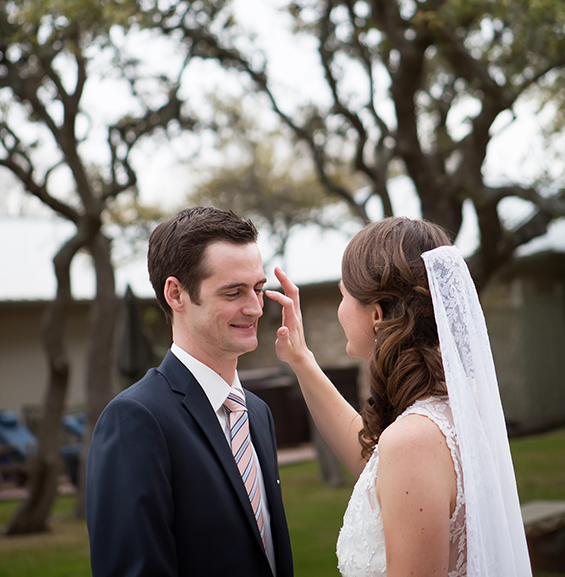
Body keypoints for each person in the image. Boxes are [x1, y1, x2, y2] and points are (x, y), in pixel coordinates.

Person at [266, 216, 533, 577]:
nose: (338, 310)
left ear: (376, 314)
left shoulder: (413, 440)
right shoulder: (449, 410)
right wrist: (301, 359)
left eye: (343, 296)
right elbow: (374, 465)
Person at [86, 206, 293, 577]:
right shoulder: (136, 419)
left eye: (259, 289)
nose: (255, 308)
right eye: (234, 292)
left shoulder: (257, 412)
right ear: (176, 294)